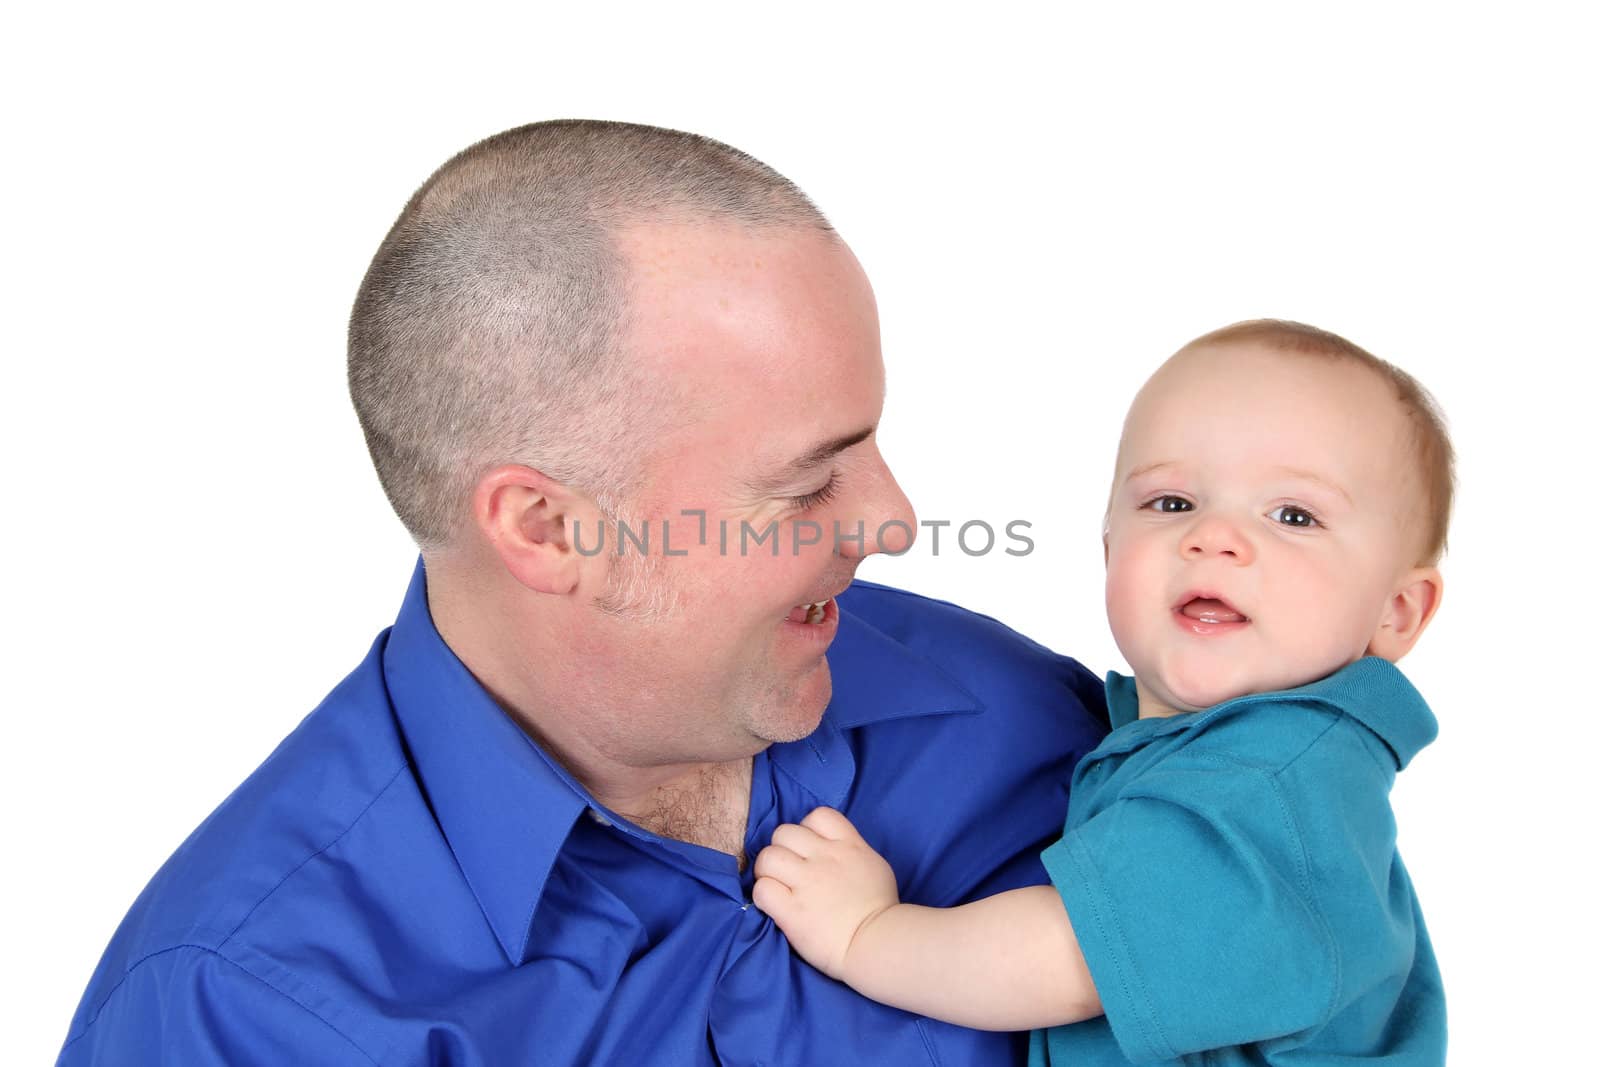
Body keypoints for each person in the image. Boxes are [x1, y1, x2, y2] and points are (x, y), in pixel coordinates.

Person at [57, 120, 1108, 1065]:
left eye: (869, 440)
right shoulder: (242, 1011)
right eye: (806, 480)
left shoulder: (1023, 719)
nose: (893, 520)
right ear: (549, 529)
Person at [753, 320, 1451, 1065]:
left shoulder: (1264, 785)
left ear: (1397, 611)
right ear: (1111, 547)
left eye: (1293, 516)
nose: (1214, 537)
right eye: (1173, 503)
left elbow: (1068, 959)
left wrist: (866, 933)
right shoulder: (1210, 749)